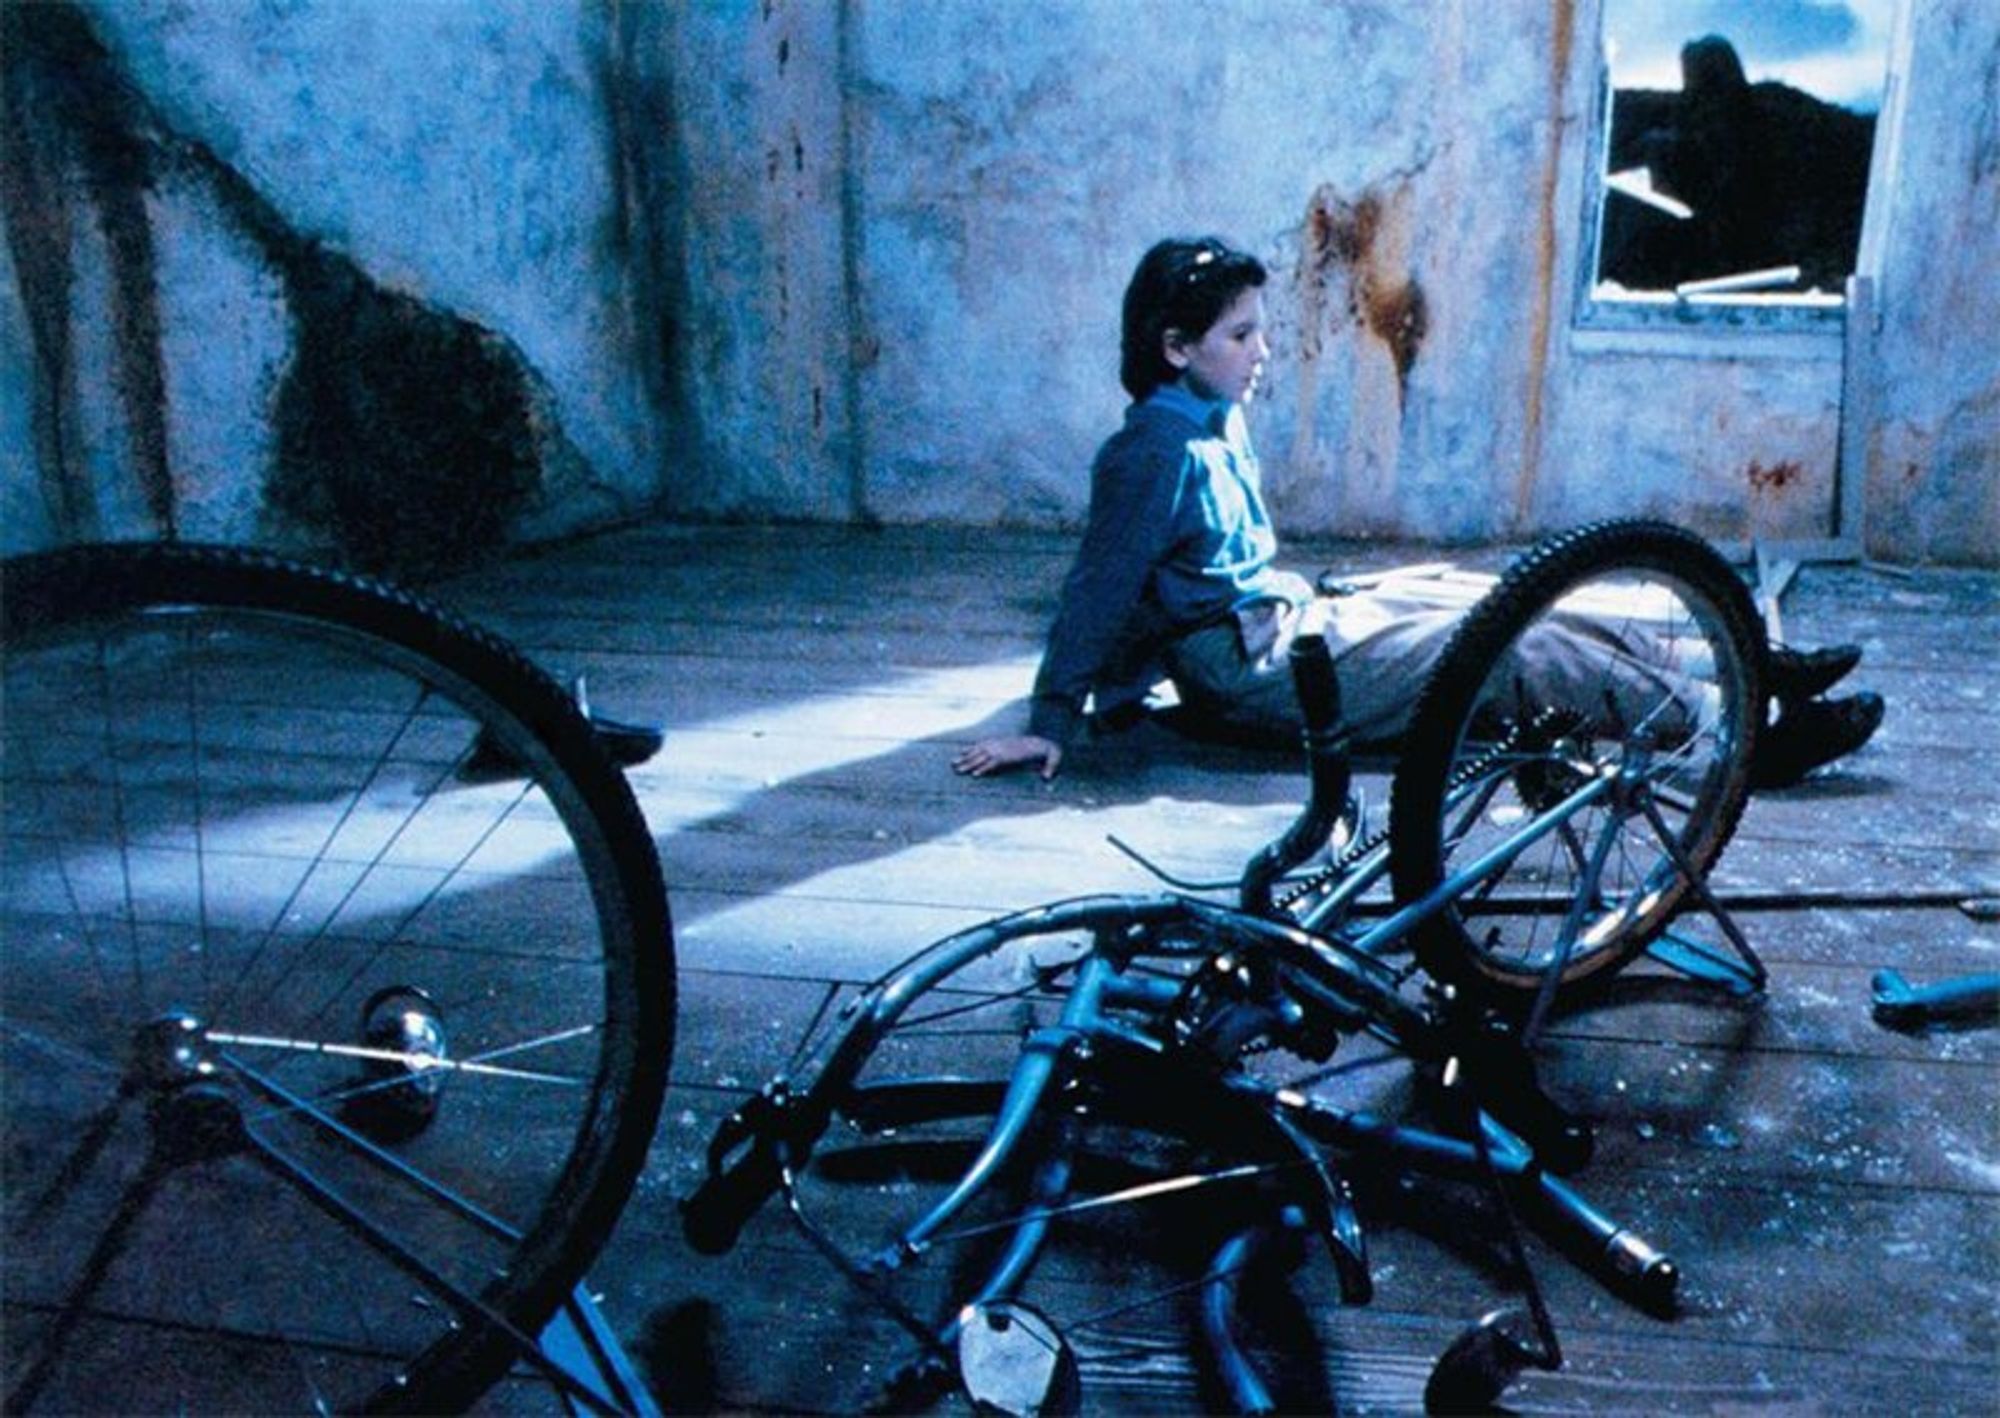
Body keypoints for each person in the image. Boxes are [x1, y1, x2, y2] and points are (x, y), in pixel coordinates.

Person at [952, 235, 1883, 788]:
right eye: (1240, 337)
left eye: (1260, 331)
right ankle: (1740, 730)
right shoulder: (1150, 452)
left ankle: (1743, 659)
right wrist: (1055, 716)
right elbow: (1101, 588)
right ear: (1174, 346)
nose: (1261, 352)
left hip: (1290, 614)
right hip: (1247, 666)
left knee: (1506, 597)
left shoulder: (1212, 416)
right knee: (1508, 653)